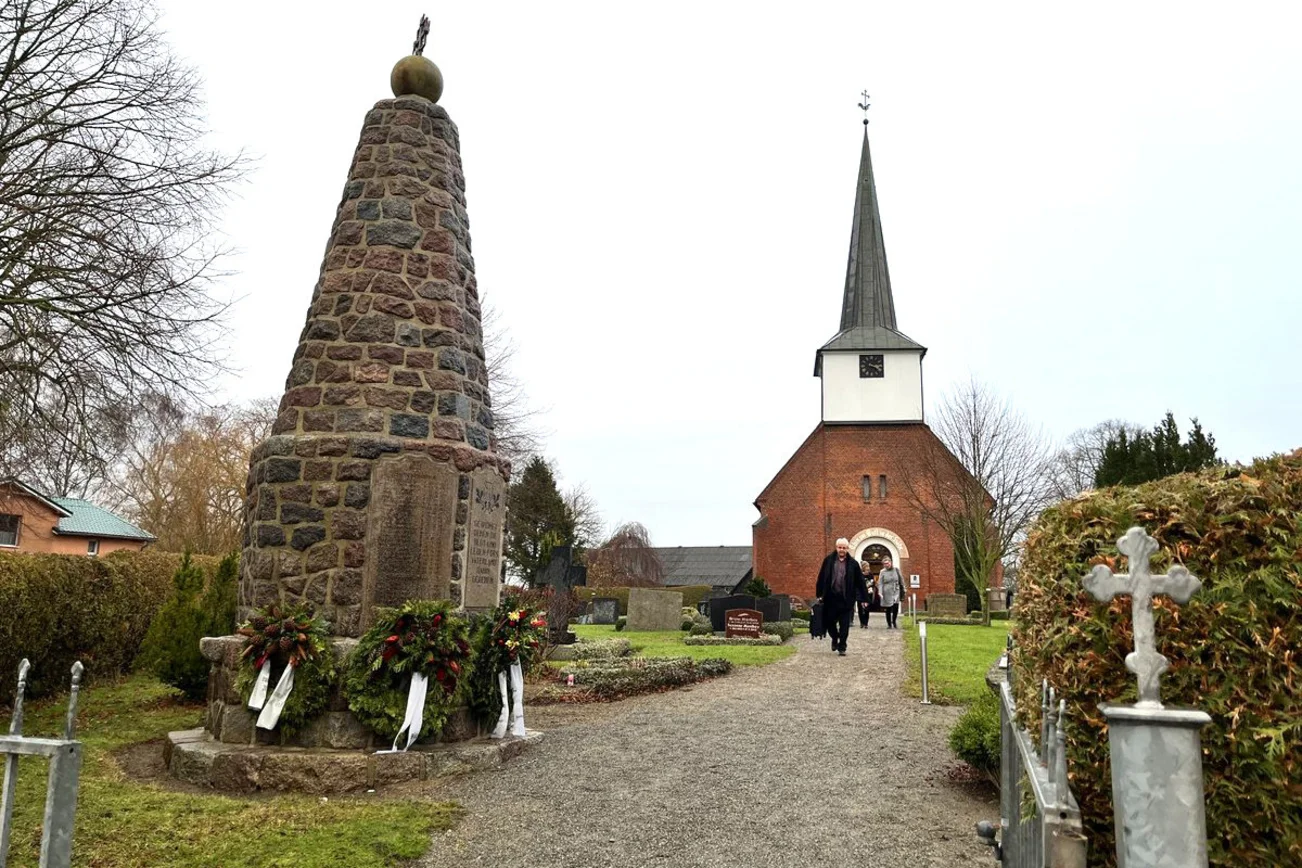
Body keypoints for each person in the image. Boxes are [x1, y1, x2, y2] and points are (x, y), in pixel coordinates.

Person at [815, 538, 869, 656]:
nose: (842, 550)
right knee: (829, 623)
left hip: (846, 599)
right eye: (840, 547)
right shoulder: (828, 560)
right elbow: (821, 577)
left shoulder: (853, 564)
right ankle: (835, 638)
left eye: (844, 548)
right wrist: (819, 594)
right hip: (830, 598)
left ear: (847, 549)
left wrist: (865, 598)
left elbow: (860, 582)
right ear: (836, 547)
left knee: (845, 625)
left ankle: (842, 646)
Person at [878, 557, 906, 629]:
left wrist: (904, 588)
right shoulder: (882, 572)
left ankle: (894, 621)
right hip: (886, 591)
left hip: (896, 590)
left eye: (887, 563)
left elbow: (901, 580)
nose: (886, 565)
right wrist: (880, 592)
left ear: (891, 562)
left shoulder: (896, 570)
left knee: (895, 607)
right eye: (885, 564)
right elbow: (880, 583)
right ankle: (889, 624)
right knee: (888, 608)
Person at [857, 560, 873, 628]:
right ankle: (861, 622)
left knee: (867, 609)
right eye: (866, 566)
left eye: (868, 566)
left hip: (868, 593)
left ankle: (866, 623)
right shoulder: (859, 574)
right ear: (863, 567)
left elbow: (872, 582)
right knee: (860, 609)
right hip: (860, 594)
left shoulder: (870, 574)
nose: (867, 568)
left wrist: (866, 586)